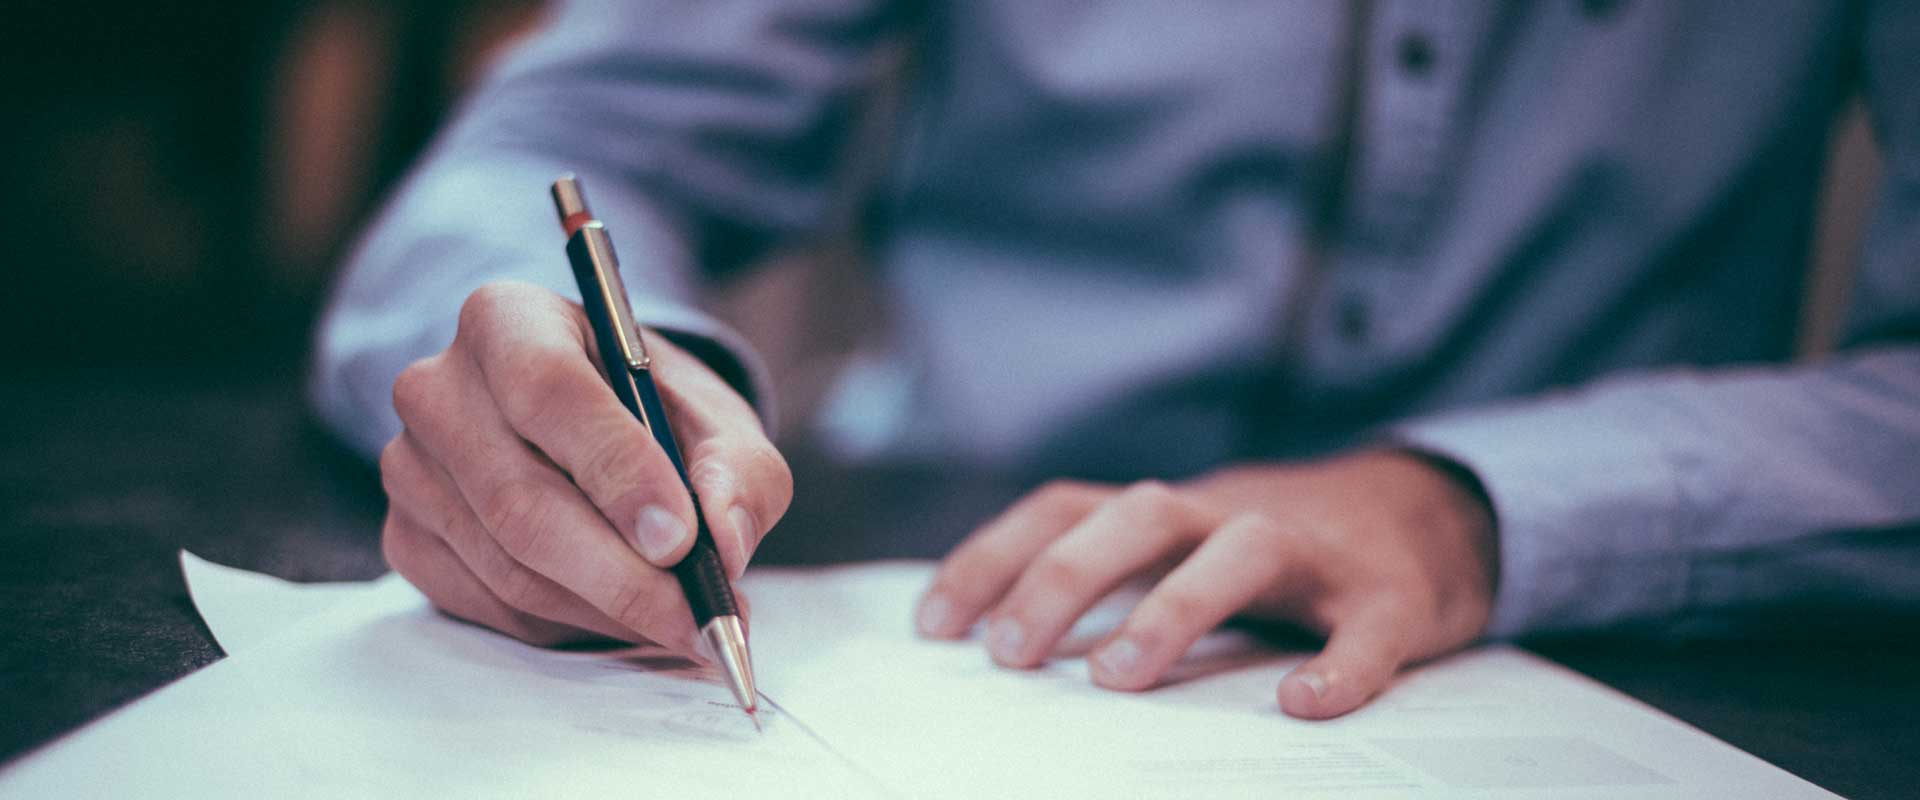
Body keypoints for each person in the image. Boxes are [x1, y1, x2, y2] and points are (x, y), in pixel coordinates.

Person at [311, 1, 1920, 719]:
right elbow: (557, 144)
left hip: (1643, 650)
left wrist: (1477, 505)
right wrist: (568, 382)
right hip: (938, 597)